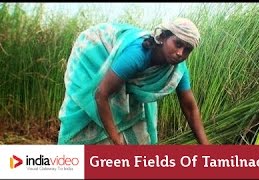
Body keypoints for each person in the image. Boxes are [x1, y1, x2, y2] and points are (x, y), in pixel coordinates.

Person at [58, 17, 209, 145]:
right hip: (96, 54)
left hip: (120, 71)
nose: (180, 53)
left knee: (137, 136)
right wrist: (117, 141)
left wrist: (207, 148)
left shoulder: (177, 69)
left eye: (187, 49)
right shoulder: (137, 55)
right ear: (163, 37)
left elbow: (190, 108)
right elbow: (101, 94)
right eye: (177, 44)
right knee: (88, 110)